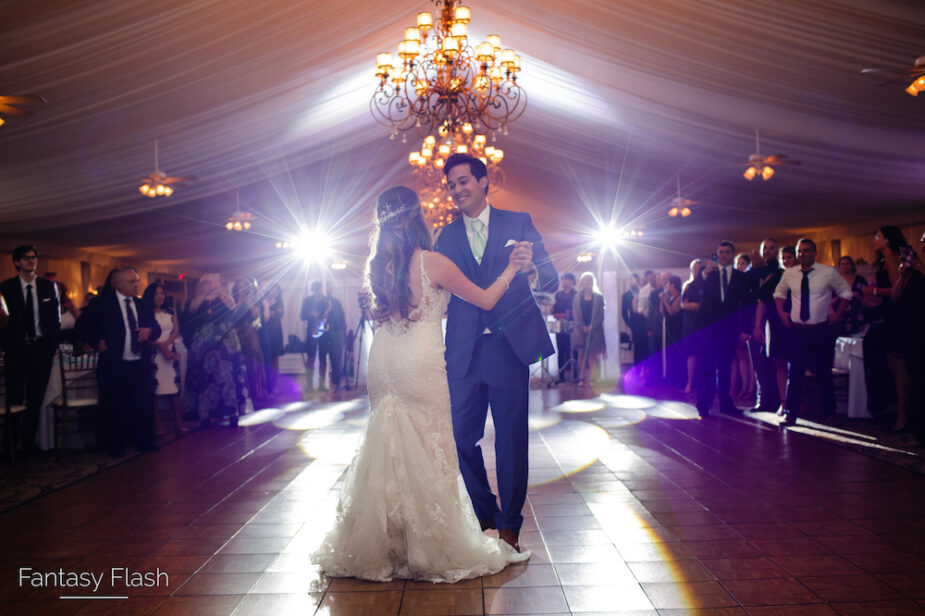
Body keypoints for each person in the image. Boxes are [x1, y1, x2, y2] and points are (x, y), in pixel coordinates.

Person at [311, 185, 531, 582]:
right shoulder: (431, 261)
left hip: (383, 360)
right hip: (420, 362)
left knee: (388, 443)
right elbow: (484, 299)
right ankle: (427, 544)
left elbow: (381, 319)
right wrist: (511, 269)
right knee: (430, 447)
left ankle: (387, 544)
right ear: (416, 218)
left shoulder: (376, 266)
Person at [435, 153, 558, 552]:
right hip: (464, 350)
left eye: (463, 181)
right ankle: (483, 510)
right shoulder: (446, 235)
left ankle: (509, 525)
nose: (456, 190)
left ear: (484, 181)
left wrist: (530, 267)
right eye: (451, 184)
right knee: (458, 437)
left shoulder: (517, 222)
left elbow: (551, 276)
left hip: (509, 347)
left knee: (511, 439)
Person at [79, 267, 160, 456]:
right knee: (115, 405)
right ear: (117, 283)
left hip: (139, 362)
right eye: (132, 281)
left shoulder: (142, 305)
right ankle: (116, 445)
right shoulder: (102, 303)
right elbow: (83, 325)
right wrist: (97, 342)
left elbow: (155, 327)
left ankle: (144, 441)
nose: (136, 285)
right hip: (114, 362)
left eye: (137, 281)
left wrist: (149, 332)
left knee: (142, 403)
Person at [775, 238, 852, 426]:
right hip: (798, 330)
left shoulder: (827, 273)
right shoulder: (790, 274)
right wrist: (782, 314)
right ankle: (790, 413)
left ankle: (829, 412)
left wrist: (838, 314)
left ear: (814, 253)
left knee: (823, 371)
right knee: (795, 373)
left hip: (820, 329)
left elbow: (846, 292)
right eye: (800, 251)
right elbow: (779, 293)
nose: (802, 255)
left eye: (806, 251)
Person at [0, 246, 60, 454]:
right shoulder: (6, 288)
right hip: (16, 351)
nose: (31, 261)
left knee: (35, 398)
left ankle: (29, 443)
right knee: (15, 397)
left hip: (40, 349)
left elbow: (55, 319)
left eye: (34, 258)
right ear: (16, 262)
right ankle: (10, 443)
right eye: (26, 258)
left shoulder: (47, 287)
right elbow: (3, 322)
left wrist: (51, 346)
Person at [862, 227, 914, 432]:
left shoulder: (892, 257)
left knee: (899, 369)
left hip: (897, 318)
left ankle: (903, 416)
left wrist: (872, 291)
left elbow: (897, 290)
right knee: (894, 368)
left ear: (887, 240)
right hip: (890, 317)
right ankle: (900, 412)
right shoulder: (887, 259)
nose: (874, 239)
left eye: (877, 236)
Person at [694, 241, 751, 417]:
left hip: (729, 327)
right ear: (717, 254)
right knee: (706, 366)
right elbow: (695, 289)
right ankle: (704, 404)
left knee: (726, 366)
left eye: (727, 252)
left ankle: (726, 403)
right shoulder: (708, 274)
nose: (724, 255)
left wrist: (744, 329)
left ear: (732, 255)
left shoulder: (740, 277)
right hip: (708, 328)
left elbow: (746, 304)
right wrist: (703, 273)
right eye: (721, 252)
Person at [182, 274, 248, 427]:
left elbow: (232, 307)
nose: (210, 285)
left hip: (225, 344)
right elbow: (191, 310)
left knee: (227, 377)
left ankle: (232, 412)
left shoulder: (224, 298)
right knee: (205, 378)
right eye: (207, 283)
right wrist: (205, 294)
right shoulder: (197, 300)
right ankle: (205, 415)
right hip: (203, 345)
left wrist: (220, 291)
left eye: (213, 283)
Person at [753, 246, 797, 416]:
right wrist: (757, 326)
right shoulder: (775, 277)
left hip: (795, 324)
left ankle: (794, 402)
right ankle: (783, 402)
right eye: (783, 258)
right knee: (780, 363)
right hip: (776, 324)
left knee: (796, 364)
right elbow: (762, 300)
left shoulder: (802, 276)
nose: (786, 261)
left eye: (789, 257)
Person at [142, 283, 185, 437]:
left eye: (162, 293)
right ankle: (158, 424)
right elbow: (145, 333)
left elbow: (176, 329)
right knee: (155, 390)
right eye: (156, 294)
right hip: (154, 353)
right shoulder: (146, 313)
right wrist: (160, 346)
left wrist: (168, 345)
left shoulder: (171, 311)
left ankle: (179, 422)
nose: (160, 297)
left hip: (169, 351)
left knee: (175, 389)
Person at [232, 279, 268, 408]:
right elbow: (232, 316)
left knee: (254, 364)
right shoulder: (233, 302)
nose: (241, 291)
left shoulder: (252, 301)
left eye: (244, 288)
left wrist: (247, 300)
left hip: (251, 335)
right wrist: (240, 301)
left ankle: (257, 393)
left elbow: (256, 315)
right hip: (237, 335)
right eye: (239, 288)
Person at [572, 272, 606, 387]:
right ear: (581, 282)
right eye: (584, 280)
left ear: (592, 282)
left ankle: (593, 378)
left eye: (589, 280)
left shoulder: (599, 297)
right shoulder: (577, 297)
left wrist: (592, 326)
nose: (586, 282)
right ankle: (581, 378)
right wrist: (582, 326)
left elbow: (600, 316)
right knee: (581, 354)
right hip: (581, 329)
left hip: (595, 330)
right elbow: (576, 313)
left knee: (593, 355)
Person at [731, 253, 756, 402]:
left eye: (743, 263)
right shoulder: (734, 282)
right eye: (738, 263)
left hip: (747, 322)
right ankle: (744, 387)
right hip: (736, 322)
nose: (740, 266)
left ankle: (751, 388)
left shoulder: (749, 282)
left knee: (750, 358)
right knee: (741, 357)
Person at [680, 259, 704, 393]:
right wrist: (695, 305)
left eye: (698, 268)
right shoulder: (687, 285)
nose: (696, 270)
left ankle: (701, 383)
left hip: (703, 322)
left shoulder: (706, 285)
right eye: (694, 268)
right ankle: (690, 382)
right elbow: (684, 304)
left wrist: (696, 305)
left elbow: (705, 304)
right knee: (691, 353)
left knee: (703, 353)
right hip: (690, 323)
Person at [317, 289, 347, 393]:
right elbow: (318, 319)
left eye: (331, 288)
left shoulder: (337, 302)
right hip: (324, 336)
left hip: (336, 334)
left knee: (336, 360)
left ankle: (336, 383)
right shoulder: (320, 303)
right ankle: (322, 384)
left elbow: (342, 319)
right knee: (322, 359)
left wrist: (342, 333)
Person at [300, 281, 327, 392]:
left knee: (322, 358)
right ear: (313, 290)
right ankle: (310, 385)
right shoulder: (307, 301)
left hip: (324, 332)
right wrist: (309, 314)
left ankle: (321, 385)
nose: (318, 291)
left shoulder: (326, 301)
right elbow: (302, 316)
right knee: (310, 358)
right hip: (311, 331)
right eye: (315, 289)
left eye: (319, 289)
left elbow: (329, 315)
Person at [833, 256, 867, 337]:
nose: (844, 266)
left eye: (846, 264)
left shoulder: (860, 280)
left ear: (852, 265)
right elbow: (830, 301)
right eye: (841, 264)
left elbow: (867, 298)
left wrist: (858, 296)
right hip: (841, 316)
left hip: (857, 315)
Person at [554, 272, 577, 383]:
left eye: (567, 279)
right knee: (561, 350)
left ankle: (575, 374)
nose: (564, 281)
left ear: (572, 281)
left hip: (573, 325)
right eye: (563, 279)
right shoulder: (558, 295)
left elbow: (577, 310)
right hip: (560, 324)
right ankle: (561, 375)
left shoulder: (576, 294)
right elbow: (555, 309)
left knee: (573, 349)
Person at [262, 285, 285, 395]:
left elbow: (279, 313)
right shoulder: (263, 301)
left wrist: (273, 313)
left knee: (275, 358)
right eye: (272, 289)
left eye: (276, 290)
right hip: (265, 331)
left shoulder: (279, 302)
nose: (274, 292)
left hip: (276, 332)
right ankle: (266, 384)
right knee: (266, 359)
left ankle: (275, 384)